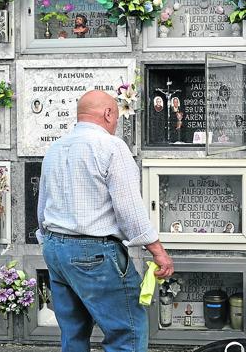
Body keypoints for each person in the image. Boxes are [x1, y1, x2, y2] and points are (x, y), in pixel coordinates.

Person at [37, 90, 174, 352]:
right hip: (94, 253)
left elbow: (43, 206)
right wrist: (158, 252)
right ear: (108, 113)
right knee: (127, 333)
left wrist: (50, 243)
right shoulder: (111, 146)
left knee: (73, 334)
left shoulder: (55, 149)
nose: (116, 123)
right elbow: (129, 208)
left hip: (55, 249)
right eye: (116, 117)